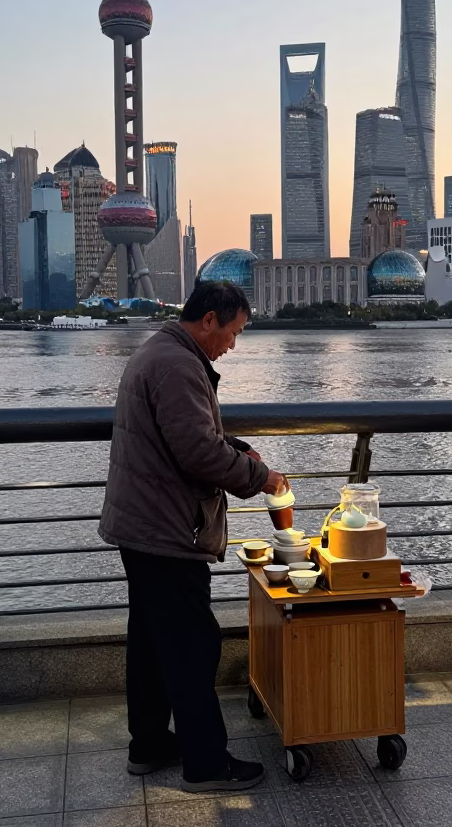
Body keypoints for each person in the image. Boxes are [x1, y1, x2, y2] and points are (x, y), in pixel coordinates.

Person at [99, 280, 288, 792]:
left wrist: (235, 447)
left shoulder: (161, 353)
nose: (233, 344)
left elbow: (190, 436)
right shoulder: (178, 365)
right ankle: (206, 765)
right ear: (209, 320)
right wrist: (261, 478)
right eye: (232, 332)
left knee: (151, 644)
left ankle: (150, 745)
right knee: (191, 646)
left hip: (142, 524)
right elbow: (197, 454)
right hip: (166, 530)